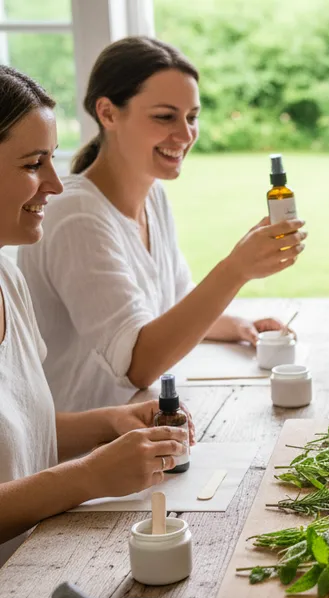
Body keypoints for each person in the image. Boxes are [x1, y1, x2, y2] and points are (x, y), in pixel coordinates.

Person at [19, 37, 307, 411]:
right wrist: (237, 269)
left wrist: (237, 326)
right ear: (107, 113)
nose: (186, 135)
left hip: (137, 433)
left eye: (192, 117)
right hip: (83, 452)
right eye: (165, 117)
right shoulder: (76, 216)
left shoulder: (152, 197)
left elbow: (175, 301)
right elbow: (138, 366)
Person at [0, 65, 192, 565]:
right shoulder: (81, 217)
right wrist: (88, 477)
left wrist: (111, 423)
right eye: (32, 164)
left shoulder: (6, 276)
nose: (55, 185)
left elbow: (21, 432)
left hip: (39, 562)